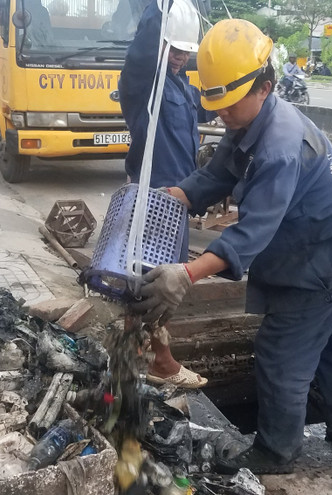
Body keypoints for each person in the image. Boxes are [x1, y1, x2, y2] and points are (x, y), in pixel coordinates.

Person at [132, 19, 332, 473]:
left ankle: (276, 451)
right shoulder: (248, 120)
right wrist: (176, 197)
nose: (221, 115)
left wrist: (185, 274)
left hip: (324, 260)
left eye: (228, 105)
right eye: (217, 105)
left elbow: (251, 234)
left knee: (281, 355)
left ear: (265, 86)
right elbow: (217, 174)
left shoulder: (280, 147)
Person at [120, 0, 207, 389]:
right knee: (153, 279)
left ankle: (134, 350)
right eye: (174, 49)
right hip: (154, 200)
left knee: (149, 278)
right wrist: (162, 12)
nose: (180, 58)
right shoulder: (144, 84)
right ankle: (161, 359)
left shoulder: (185, 89)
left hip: (178, 200)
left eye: (186, 51)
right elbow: (143, 53)